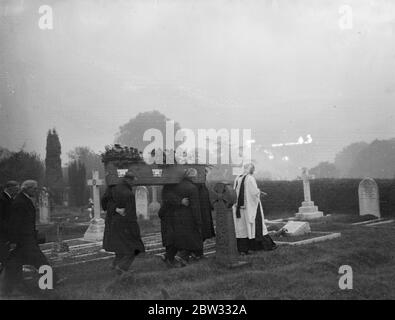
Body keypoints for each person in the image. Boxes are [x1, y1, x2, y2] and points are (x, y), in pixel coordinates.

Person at [1, 180, 60, 296]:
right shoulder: (20, 202)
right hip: (25, 240)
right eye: (34, 188)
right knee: (39, 260)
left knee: (14, 264)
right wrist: (14, 240)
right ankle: (50, 282)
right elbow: (16, 223)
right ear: (26, 189)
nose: (36, 190)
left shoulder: (23, 200)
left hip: (24, 240)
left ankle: (6, 289)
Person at [103, 172, 145, 276]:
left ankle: (114, 265)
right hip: (125, 226)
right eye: (133, 181)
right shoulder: (129, 195)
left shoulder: (112, 188)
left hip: (112, 223)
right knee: (136, 249)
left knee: (120, 248)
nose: (133, 184)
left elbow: (104, 204)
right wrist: (135, 231)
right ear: (129, 180)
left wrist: (115, 209)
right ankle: (121, 268)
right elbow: (130, 216)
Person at [159, 168, 203, 267]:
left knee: (177, 239)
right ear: (193, 177)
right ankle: (182, 258)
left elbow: (166, 196)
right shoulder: (192, 188)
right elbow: (195, 206)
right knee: (191, 239)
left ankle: (168, 257)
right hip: (188, 218)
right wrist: (198, 221)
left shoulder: (174, 185)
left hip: (174, 217)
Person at [233, 163, 277, 255]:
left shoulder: (237, 178)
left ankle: (243, 249)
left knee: (243, 228)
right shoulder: (250, 178)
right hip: (251, 207)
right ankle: (263, 245)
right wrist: (260, 193)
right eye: (253, 169)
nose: (253, 171)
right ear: (250, 169)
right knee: (257, 225)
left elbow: (236, 191)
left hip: (240, 208)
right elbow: (254, 192)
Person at [0, 181, 20, 269]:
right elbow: (3, 219)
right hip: (4, 234)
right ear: (10, 188)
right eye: (16, 189)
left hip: (7, 233)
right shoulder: (2, 199)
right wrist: (8, 235)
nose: (17, 191)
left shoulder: (9, 199)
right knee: (4, 256)